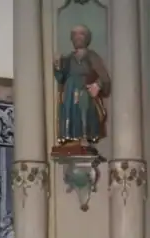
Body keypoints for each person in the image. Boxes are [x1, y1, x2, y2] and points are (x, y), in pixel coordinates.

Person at [53, 24, 110, 152]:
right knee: (69, 112)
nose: (78, 37)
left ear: (87, 38)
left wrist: (97, 85)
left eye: (81, 34)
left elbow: (104, 76)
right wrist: (57, 66)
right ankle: (70, 139)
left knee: (84, 112)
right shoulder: (67, 59)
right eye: (75, 35)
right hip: (69, 91)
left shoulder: (92, 56)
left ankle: (85, 138)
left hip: (85, 90)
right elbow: (61, 78)